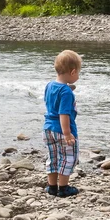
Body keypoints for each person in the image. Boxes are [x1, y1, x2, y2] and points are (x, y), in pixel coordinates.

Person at [43, 50, 82, 197]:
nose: (78, 76)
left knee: (52, 157)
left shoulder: (50, 85)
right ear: (72, 72)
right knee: (67, 157)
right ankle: (63, 188)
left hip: (48, 128)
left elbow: (51, 103)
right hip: (62, 130)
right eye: (78, 73)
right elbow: (63, 114)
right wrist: (67, 133)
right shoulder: (66, 92)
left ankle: (52, 187)